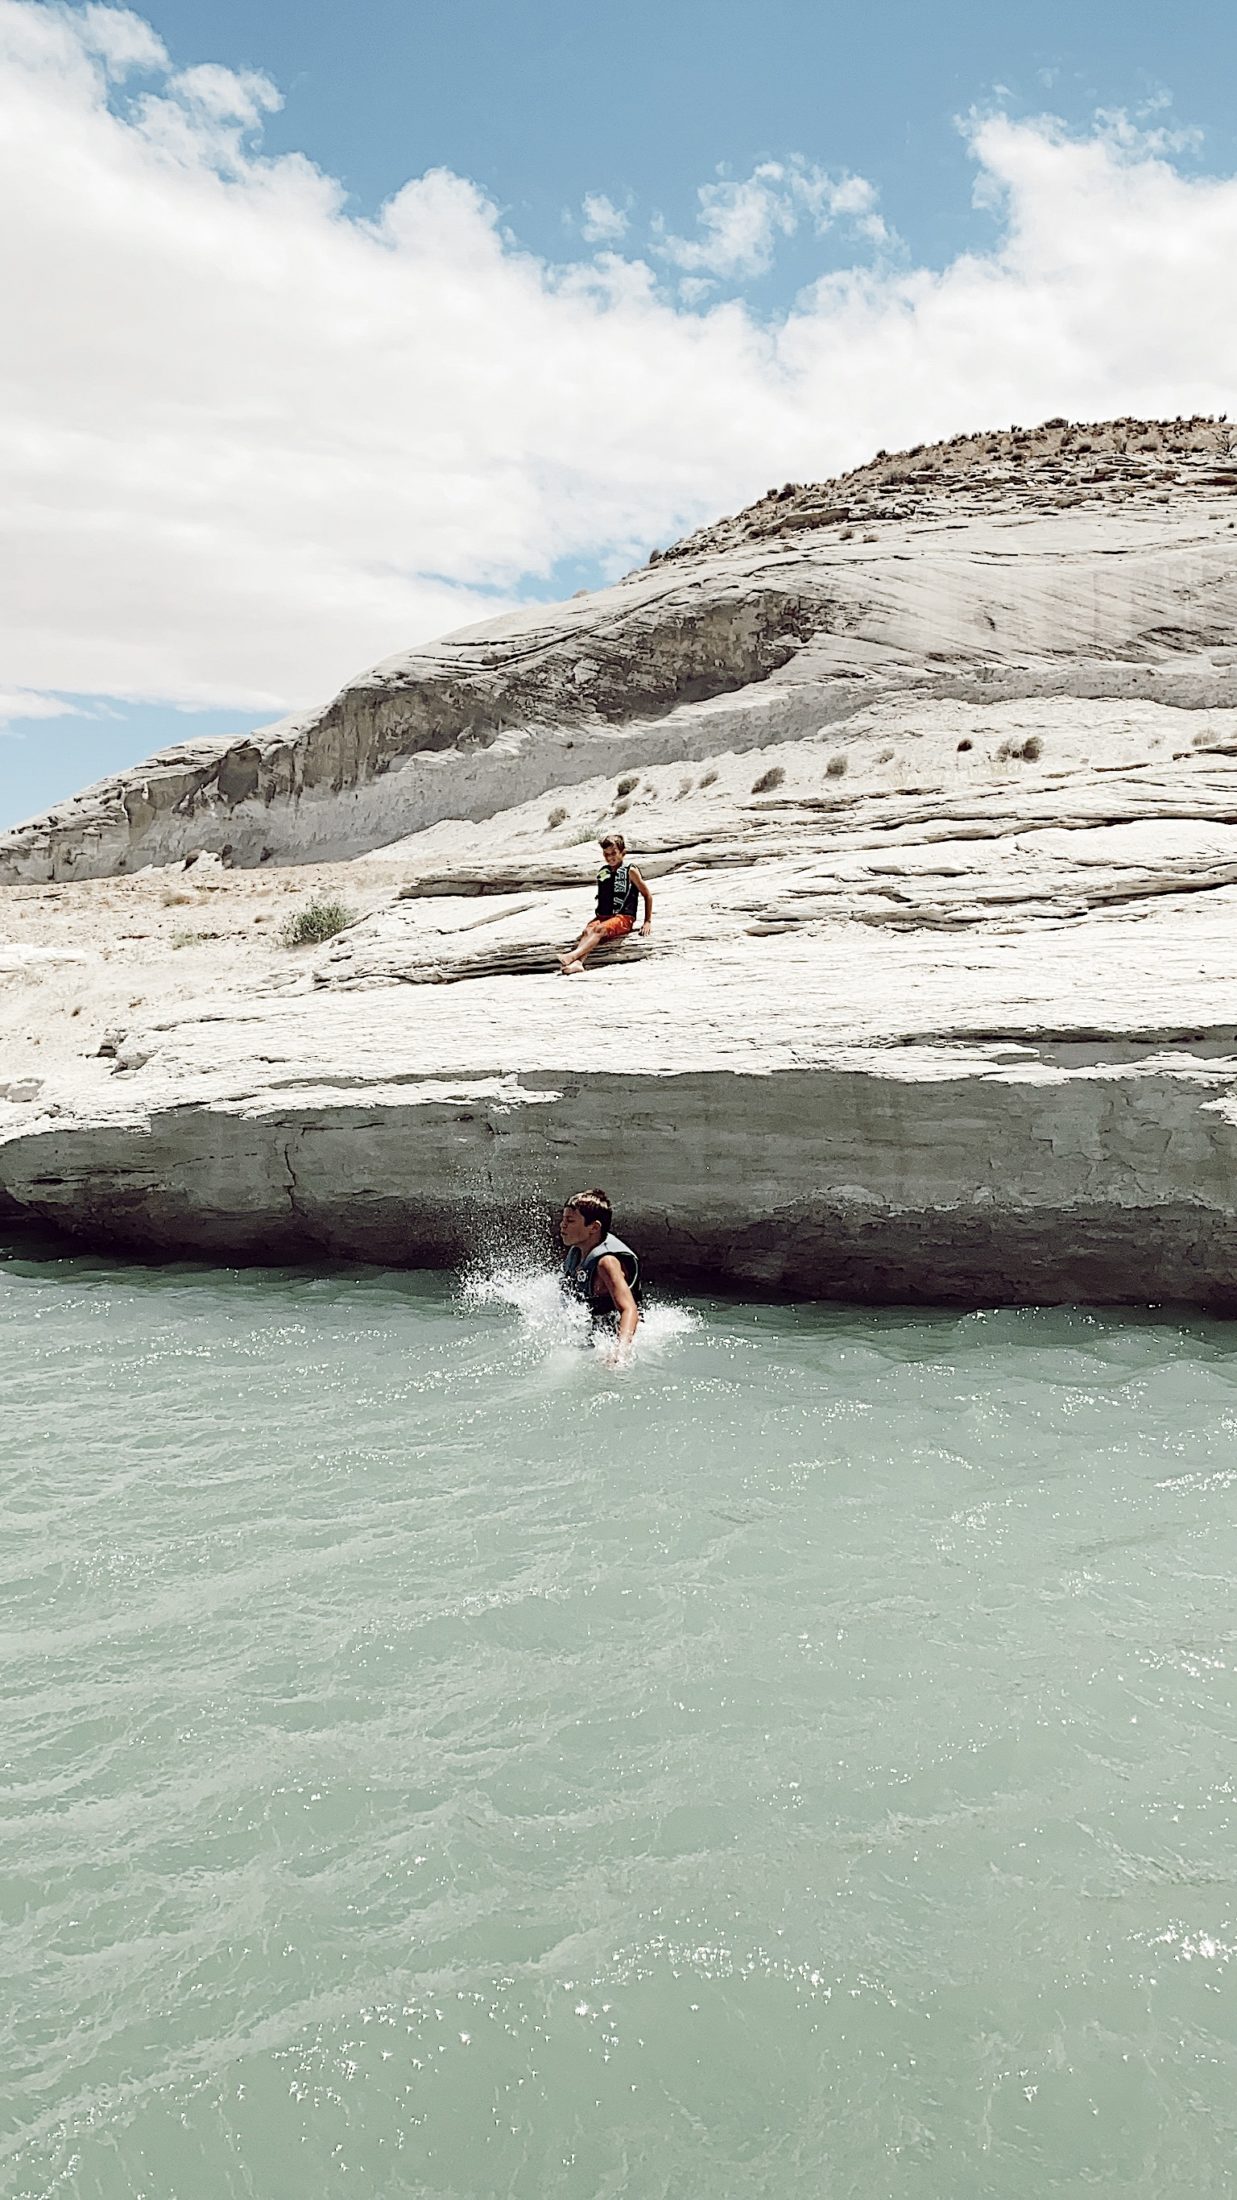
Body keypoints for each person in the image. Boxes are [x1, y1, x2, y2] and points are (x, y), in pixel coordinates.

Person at [559, 1187, 641, 1362]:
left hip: (612, 1332)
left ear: (593, 1227)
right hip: (592, 1326)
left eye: (570, 1221)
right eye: (563, 1219)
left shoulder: (607, 1263)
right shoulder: (578, 1252)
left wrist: (620, 1352)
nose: (562, 1225)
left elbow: (629, 1309)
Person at [558, 834, 653, 975]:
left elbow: (647, 895)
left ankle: (573, 956)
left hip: (624, 918)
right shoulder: (604, 871)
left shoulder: (630, 871)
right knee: (587, 931)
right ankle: (578, 963)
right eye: (606, 854)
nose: (610, 858)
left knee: (599, 930)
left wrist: (647, 921)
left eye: (614, 853)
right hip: (604, 916)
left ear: (623, 853)